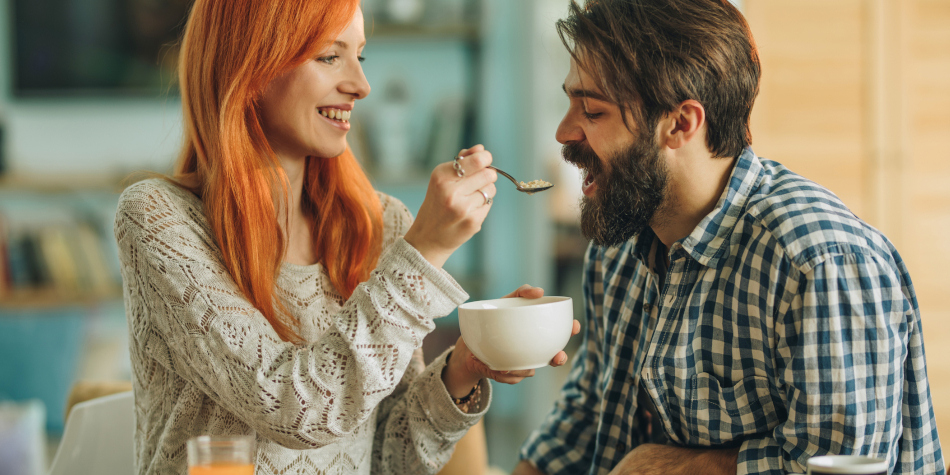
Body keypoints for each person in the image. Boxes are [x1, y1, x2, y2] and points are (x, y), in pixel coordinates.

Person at [113, 1, 577, 474]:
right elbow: (293, 408)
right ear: (250, 66)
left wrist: (463, 368)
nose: (361, 85)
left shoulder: (382, 225)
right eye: (330, 57)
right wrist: (425, 252)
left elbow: (393, 461)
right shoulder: (160, 219)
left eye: (361, 56)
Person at [514, 0, 944, 474]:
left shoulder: (821, 263)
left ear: (680, 124)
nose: (562, 132)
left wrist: (672, 467)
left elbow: (842, 469)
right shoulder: (616, 250)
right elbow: (589, 415)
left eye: (592, 111)